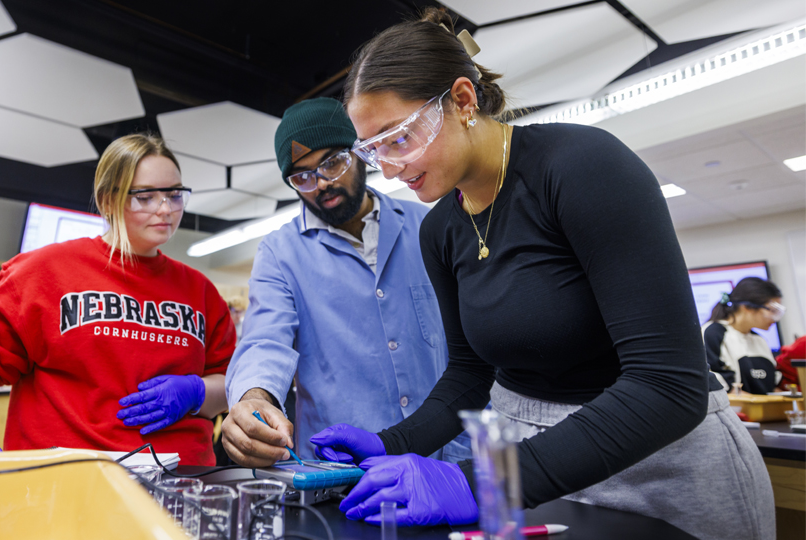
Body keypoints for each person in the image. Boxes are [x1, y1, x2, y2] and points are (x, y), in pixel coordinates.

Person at [311, 9, 774, 540]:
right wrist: (392, 444)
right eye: (373, 151)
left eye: (398, 138)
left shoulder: (580, 167)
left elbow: (668, 385)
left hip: (664, 470)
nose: (389, 169)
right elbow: (470, 374)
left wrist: (479, 483)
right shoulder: (441, 229)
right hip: (535, 472)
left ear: (462, 101)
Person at [0, 134, 237, 465]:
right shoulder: (43, 272)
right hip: (64, 477)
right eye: (146, 197)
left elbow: (231, 383)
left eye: (174, 195)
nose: (165, 209)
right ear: (109, 200)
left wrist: (196, 392)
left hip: (183, 482)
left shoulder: (202, 292)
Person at [221, 97, 470, 467]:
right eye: (302, 177)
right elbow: (264, 341)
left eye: (333, 162)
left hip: (445, 459)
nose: (321, 183)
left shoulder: (429, 225)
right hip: (342, 471)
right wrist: (254, 398)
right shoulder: (280, 252)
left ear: (360, 152)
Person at [703, 277, 785, 394]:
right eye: (772, 310)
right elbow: (716, 386)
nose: (775, 318)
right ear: (746, 307)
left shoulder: (759, 340)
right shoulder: (712, 333)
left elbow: (772, 387)